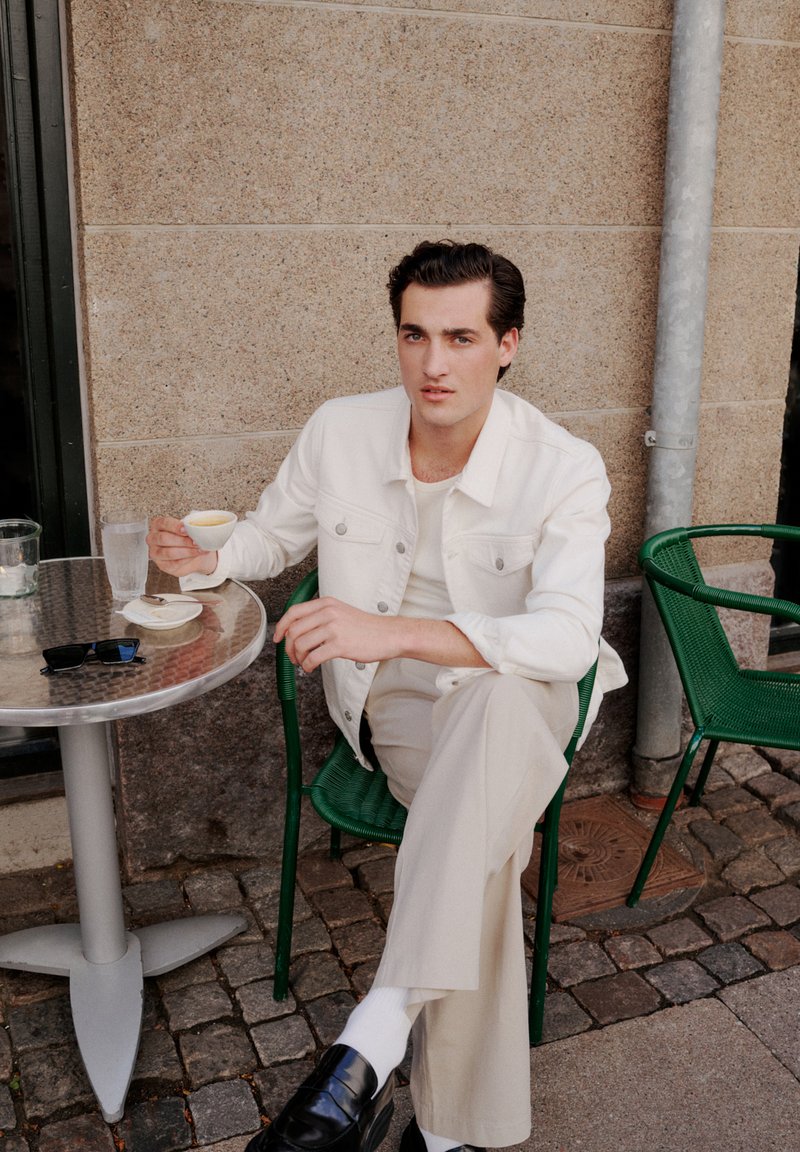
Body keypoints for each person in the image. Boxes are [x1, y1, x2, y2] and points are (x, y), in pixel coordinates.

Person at [148, 240, 627, 1152]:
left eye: (460, 337)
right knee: (486, 847)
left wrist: (393, 630)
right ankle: (442, 1136)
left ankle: (372, 1033)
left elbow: (567, 639)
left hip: (527, 695)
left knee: (497, 706)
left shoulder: (564, 465)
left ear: (508, 345)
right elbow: (271, 536)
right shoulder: (341, 430)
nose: (433, 363)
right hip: (400, 703)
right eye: (415, 335)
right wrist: (208, 557)